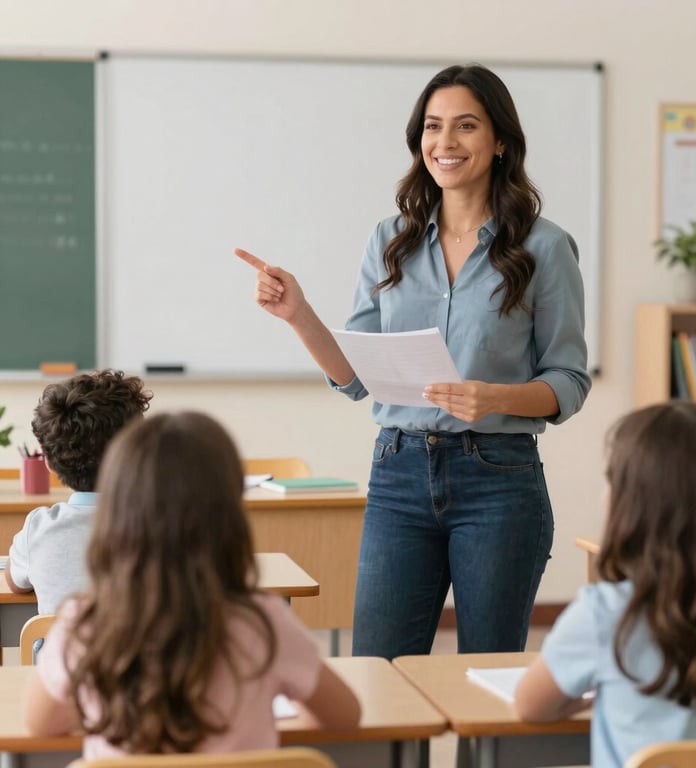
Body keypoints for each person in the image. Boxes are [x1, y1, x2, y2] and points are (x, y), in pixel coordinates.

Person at [235, 63, 590, 659]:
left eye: (466, 126)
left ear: (500, 140)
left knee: (485, 674)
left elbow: (569, 380)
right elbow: (355, 378)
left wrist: (496, 396)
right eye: (433, 126)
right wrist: (299, 314)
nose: (445, 143)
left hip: (498, 479)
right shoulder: (390, 239)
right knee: (379, 673)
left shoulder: (544, 247)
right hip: (398, 472)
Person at [24, 410, 361, 757]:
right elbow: (345, 717)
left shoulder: (85, 624)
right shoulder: (264, 622)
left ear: (116, 513)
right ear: (230, 515)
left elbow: (41, 725)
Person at [515, 401, 696, 768]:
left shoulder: (604, 613)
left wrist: (589, 699)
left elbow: (530, 706)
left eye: (612, 480)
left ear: (630, 503)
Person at [5, 369, 152, 614]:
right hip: (142, 652)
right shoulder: (162, 525)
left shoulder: (38, 527)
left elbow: (15, 582)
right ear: (136, 455)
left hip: (62, 653)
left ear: (49, 464)